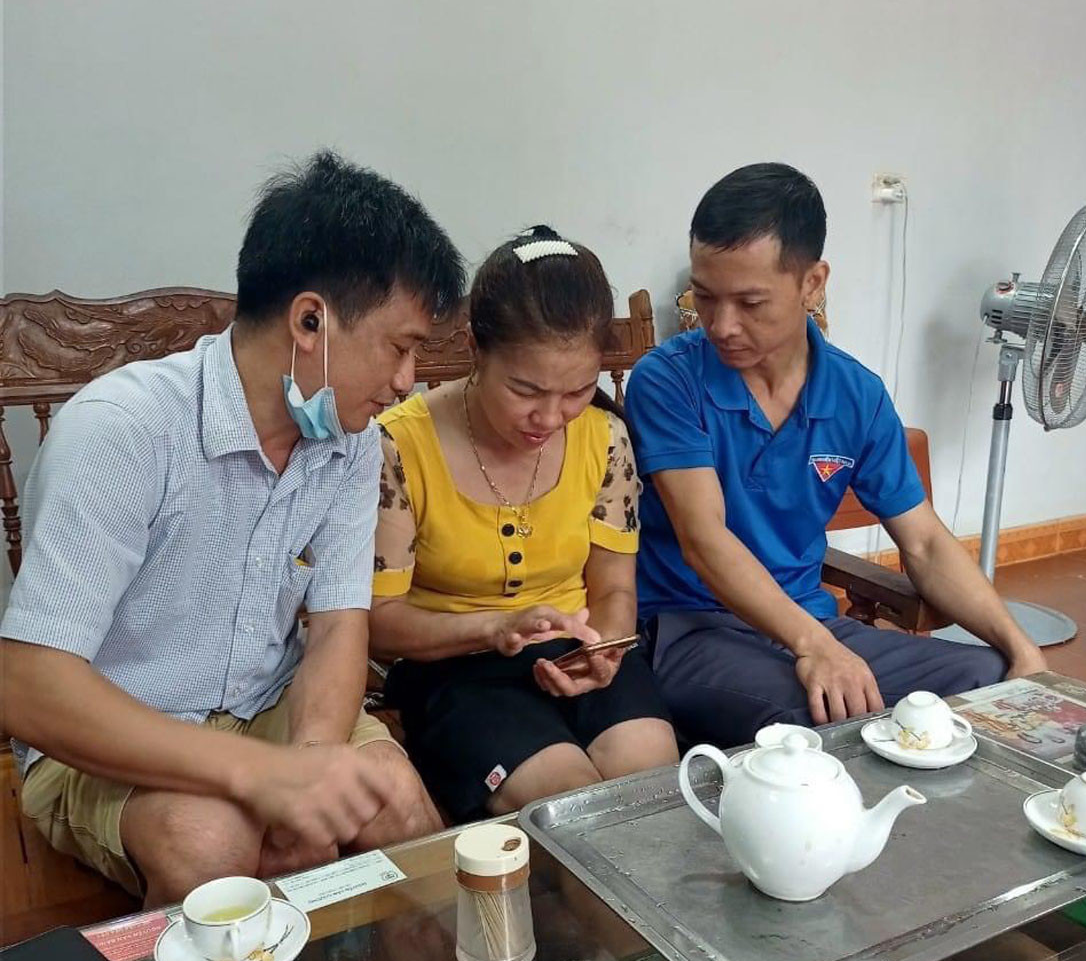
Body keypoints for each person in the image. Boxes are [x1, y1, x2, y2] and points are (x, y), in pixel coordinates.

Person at [0, 150, 464, 904]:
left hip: (268, 708)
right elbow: (28, 686)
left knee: (396, 800)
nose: (407, 381)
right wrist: (264, 776)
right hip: (116, 738)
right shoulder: (125, 431)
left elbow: (339, 627)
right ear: (310, 321)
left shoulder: (349, 442)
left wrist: (309, 764)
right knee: (210, 839)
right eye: (400, 346)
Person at [624, 163, 1045, 747]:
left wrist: (1023, 653)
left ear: (813, 283)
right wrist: (816, 647)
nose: (721, 325)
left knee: (986, 681)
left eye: (750, 302)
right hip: (690, 629)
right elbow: (705, 541)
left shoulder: (855, 394)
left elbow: (923, 543)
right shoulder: (667, 381)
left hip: (811, 623)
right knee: (818, 721)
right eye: (706, 297)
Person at [369, 226, 677, 819]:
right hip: (457, 669)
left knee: (653, 791)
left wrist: (605, 651)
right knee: (573, 809)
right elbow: (379, 622)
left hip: (575, 654)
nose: (551, 417)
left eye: (578, 391)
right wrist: (495, 628)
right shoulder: (399, 447)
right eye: (526, 390)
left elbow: (613, 588)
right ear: (474, 348)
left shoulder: (604, 438)